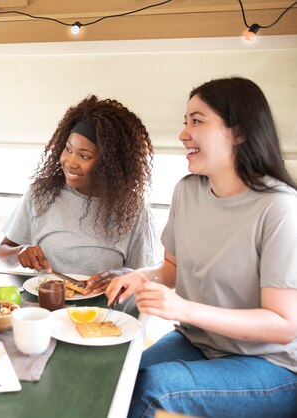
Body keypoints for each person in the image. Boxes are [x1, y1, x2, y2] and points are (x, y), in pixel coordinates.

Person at [106, 77, 297, 418]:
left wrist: (183, 309)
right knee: (114, 376)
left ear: (239, 131)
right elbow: (172, 269)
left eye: (197, 121)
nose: (183, 134)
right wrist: (141, 277)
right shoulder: (187, 192)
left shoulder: (280, 208)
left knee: (152, 390)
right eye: (185, 122)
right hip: (200, 343)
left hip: (270, 364)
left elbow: (283, 324)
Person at [0, 95, 156, 291]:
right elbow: (3, 255)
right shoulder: (40, 195)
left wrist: (125, 275)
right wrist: (21, 252)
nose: (70, 162)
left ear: (109, 164)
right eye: (68, 149)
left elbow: (146, 279)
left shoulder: (134, 211)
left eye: (84, 156)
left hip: (101, 314)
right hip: (45, 307)